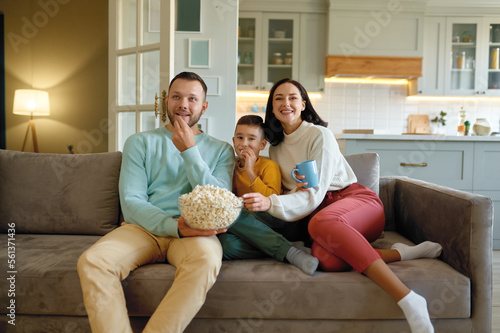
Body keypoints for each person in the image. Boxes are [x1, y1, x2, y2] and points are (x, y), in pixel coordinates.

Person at [241, 78, 442, 333]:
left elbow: (314, 193)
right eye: (278, 98)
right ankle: (403, 253)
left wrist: (270, 202)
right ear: (271, 107)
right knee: (326, 260)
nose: (285, 103)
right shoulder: (277, 148)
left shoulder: (319, 135)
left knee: (321, 222)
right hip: (321, 216)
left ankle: (409, 298)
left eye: (292, 97)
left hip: (355, 203)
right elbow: (296, 193)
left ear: (303, 104)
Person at [77, 72, 235, 333]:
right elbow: (131, 201)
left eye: (192, 98)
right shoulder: (140, 142)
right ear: (166, 101)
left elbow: (219, 202)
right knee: (94, 261)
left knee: (206, 260)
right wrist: (173, 226)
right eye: (176, 96)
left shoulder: (221, 150)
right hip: (142, 229)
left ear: (203, 106)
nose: (183, 104)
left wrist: (189, 151)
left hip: (194, 232)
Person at [218, 114, 319, 275]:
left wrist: (251, 171)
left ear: (262, 144)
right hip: (249, 223)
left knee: (233, 210)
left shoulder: (268, 166)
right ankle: (286, 247)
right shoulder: (231, 166)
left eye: (251, 139)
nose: (244, 143)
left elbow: (272, 199)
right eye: (240, 137)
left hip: (274, 219)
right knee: (226, 246)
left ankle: (290, 253)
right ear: (233, 140)